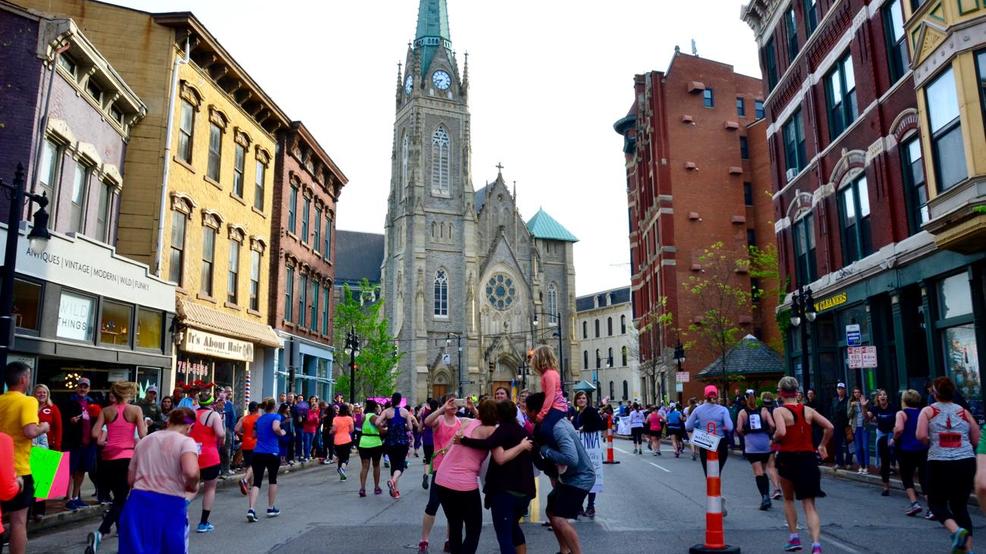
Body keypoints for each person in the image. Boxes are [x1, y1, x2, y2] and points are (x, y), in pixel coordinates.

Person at [457, 400, 536, 554]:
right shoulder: (523, 432)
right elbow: (537, 453)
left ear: (499, 415)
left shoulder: (502, 431)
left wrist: (464, 440)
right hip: (525, 492)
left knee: (504, 536)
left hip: (505, 491)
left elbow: (488, 445)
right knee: (513, 527)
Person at [117, 408, 199, 554]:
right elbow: (191, 472)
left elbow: (130, 479)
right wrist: (192, 486)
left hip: (138, 502)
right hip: (169, 503)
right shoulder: (186, 442)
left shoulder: (144, 441)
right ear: (190, 426)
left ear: (168, 422)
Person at [916, 376, 979, 553]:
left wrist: (932, 442)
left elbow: (921, 435)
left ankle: (956, 531)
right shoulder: (964, 412)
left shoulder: (928, 411)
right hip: (965, 461)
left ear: (934, 393)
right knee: (960, 507)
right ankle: (968, 550)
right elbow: (976, 439)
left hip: (939, 461)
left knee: (936, 503)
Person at [526, 392, 594, 554]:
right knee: (551, 511)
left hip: (580, 478)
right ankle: (564, 551)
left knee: (558, 517)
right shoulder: (549, 424)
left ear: (536, 411)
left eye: (527, 410)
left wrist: (545, 450)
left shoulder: (557, 427)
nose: (526, 414)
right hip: (569, 477)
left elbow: (571, 459)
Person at [772, 376, 834, 554]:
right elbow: (829, 427)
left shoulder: (779, 411)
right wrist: (822, 445)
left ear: (781, 392)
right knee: (809, 504)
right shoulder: (808, 410)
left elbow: (781, 431)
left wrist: (774, 439)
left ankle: (794, 538)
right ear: (796, 391)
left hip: (788, 457)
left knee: (788, 498)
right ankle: (816, 545)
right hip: (808, 458)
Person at [87, 381, 147, 552]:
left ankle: (122, 534)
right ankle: (101, 532)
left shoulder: (106, 411)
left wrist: (108, 440)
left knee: (118, 499)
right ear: (128, 394)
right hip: (126, 458)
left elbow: (94, 433)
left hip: (107, 459)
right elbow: (142, 434)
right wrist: (146, 426)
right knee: (121, 499)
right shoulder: (136, 410)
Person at [434, 399, 498, 554]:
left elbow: (479, 419)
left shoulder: (468, 423)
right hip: (463, 484)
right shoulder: (491, 431)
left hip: (442, 479)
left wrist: (474, 410)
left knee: (455, 524)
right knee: (474, 528)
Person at [0, 362, 48, 554]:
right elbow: (30, 431)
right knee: (18, 522)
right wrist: (44, 427)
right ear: (23, 379)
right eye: (28, 376)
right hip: (19, 470)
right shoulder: (28, 401)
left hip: (0, 467)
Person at [419, 395, 474, 553]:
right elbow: (427, 421)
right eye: (451, 402)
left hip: (455, 468)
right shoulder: (440, 420)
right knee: (433, 504)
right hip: (440, 468)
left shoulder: (461, 421)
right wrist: (443, 409)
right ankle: (424, 540)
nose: (454, 405)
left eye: (456, 402)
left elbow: (481, 420)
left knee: (454, 508)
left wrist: (472, 407)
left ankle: (450, 539)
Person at [190, 390, 225, 533]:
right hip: (210, 456)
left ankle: (177, 513)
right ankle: (203, 523)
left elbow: (184, 431)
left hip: (192, 454)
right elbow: (220, 433)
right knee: (210, 489)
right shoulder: (214, 415)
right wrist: (222, 436)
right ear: (212, 403)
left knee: (190, 488)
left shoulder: (191, 414)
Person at [61, 377, 97, 511]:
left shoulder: (92, 403)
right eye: (81, 386)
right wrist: (70, 421)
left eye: (85, 387)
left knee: (81, 470)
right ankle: (69, 498)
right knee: (70, 471)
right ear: (76, 387)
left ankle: (76, 497)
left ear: (89, 389)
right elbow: (62, 420)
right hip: (73, 442)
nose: (82, 389)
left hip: (88, 443)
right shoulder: (69, 402)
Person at [248, 398, 287, 522]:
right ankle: (270, 508)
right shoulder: (276, 416)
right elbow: (275, 428)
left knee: (256, 482)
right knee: (272, 480)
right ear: (274, 407)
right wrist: (282, 432)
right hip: (272, 452)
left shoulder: (259, 419)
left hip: (258, 452)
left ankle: (251, 509)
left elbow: (254, 435)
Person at [376, 392, 419, 499]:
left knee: (393, 465)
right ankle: (393, 481)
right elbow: (410, 427)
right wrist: (403, 425)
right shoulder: (405, 412)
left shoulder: (386, 411)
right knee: (400, 466)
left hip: (390, 442)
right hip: (402, 442)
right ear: (400, 400)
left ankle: (395, 490)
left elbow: (377, 422)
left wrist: (385, 424)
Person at [737, 388, 775, 510]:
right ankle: (767, 496)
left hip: (751, 445)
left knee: (758, 472)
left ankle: (764, 497)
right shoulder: (763, 410)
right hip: (765, 444)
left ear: (745, 398)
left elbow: (739, 428)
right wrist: (769, 433)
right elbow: (772, 425)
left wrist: (745, 434)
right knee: (763, 471)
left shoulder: (743, 412)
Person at [685, 385, 734, 479]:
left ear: (705, 395)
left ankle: (711, 487)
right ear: (716, 395)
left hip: (705, 441)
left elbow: (688, 426)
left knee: (709, 474)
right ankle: (716, 486)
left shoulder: (698, 409)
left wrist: (699, 424)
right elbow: (730, 427)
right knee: (717, 473)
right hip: (720, 442)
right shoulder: (723, 410)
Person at [894, 389, 929, 517]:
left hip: (906, 449)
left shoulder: (902, 413)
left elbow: (899, 429)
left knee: (907, 476)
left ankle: (914, 503)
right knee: (924, 478)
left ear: (904, 400)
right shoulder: (923, 413)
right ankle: (931, 508)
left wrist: (894, 438)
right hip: (922, 448)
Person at [31, 384, 62, 521]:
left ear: (48, 394)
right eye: (39, 392)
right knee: (30, 480)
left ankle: (39, 511)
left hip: (46, 447)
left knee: (42, 481)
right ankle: (27, 510)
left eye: (44, 392)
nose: (41, 394)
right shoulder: (29, 406)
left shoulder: (53, 408)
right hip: (30, 447)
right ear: (34, 394)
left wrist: (57, 447)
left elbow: (59, 429)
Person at [572, 390, 604, 518]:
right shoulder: (576, 413)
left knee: (591, 478)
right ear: (576, 400)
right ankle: (579, 506)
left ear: (587, 400)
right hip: (580, 450)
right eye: (579, 398)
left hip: (591, 450)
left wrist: (583, 428)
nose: (581, 400)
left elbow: (599, 424)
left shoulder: (590, 411)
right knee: (579, 478)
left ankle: (590, 506)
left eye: (583, 398)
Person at [530, 345, 567, 448]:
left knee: (545, 430)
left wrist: (541, 415)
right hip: (556, 407)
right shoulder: (549, 374)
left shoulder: (549, 375)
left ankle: (558, 450)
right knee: (538, 431)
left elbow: (550, 396)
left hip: (557, 408)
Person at [867, 389, 897, 496]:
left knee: (901, 459)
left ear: (887, 397)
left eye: (884, 394)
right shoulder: (875, 408)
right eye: (880, 395)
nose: (883, 396)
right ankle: (886, 487)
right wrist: (863, 407)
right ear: (878, 398)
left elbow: (899, 419)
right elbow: (867, 418)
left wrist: (895, 431)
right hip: (882, 436)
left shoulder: (893, 407)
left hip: (893, 435)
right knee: (885, 462)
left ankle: (909, 486)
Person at [357, 399, 385, 497]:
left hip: (363, 442)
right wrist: (388, 429)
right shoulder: (374, 417)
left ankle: (362, 488)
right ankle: (376, 487)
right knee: (376, 465)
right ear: (374, 408)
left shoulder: (363, 417)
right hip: (375, 442)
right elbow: (381, 431)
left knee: (365, 466)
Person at [235, 401, 261, 495]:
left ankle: (250, 485)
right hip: (256, 443)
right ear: (257, 409)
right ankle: (245, 480)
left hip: (245, 443)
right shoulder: (259, 418)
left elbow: (236, 429)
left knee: (249, 465)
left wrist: (243, 434)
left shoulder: (243, 418)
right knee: (255, 465)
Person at [848, 386, 869, 474]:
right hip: (855, 428)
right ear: (853, 394)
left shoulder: (864, 401)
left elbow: (868, 415)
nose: (857, 394)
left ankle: (866, 467)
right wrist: (852, 407)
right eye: (855, 392)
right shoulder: (850, 402)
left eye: (858, 392)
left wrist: (863, 405)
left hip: (864, 427)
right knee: (858, 448)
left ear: (861, 393)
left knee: (865, 447)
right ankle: (860, 466)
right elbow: (848, 415)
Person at [332, 403, 355, 480]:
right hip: (346, 439)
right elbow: (352, 429)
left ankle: (341, 474)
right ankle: (342, 469)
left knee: (340, 457)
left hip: (337, 440)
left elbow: (334, 429)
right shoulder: (349, 418)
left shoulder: (335, 418)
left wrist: (332, 431)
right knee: (346, 457)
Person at [830, 383, 850, 468]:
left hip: (846, 425)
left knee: (849, 443)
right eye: (838, 389)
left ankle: (849, 462)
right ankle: (839, 462)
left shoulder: (848, 400)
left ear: (845, 390)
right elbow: (832, 411)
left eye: (842, 389)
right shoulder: (834, 400)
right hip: (837, 424)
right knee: (838, 444)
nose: (840, 390)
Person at [302, 396, 321, 462]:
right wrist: (315, 419)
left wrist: (316, 419)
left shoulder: (317, 412)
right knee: (306, 443)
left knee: (310, 443)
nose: (316, 408)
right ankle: (306, 456)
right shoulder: (308, 412)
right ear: (312, 407)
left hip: (313, 430)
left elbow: (317, 423)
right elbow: (308, 420)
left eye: (316, 407)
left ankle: (308, 455)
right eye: (314, 407)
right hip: (306, 429)